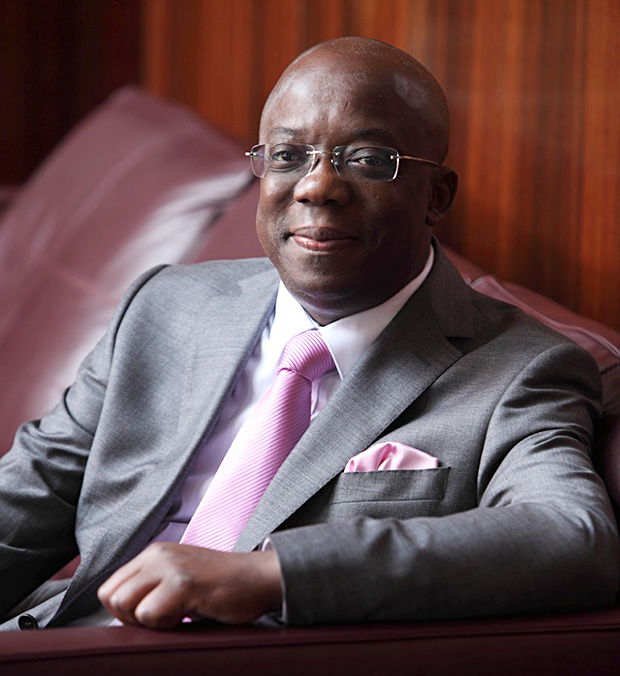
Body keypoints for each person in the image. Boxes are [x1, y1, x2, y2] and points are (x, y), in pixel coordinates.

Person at [0, 37, 617, 632]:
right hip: (63, 641)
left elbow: (572, 535)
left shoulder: (520, 370)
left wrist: (274, 576)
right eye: (289, 156)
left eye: (368, 160)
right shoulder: (165, 307)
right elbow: (30, 496)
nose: (317, 186)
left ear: (436, 196)